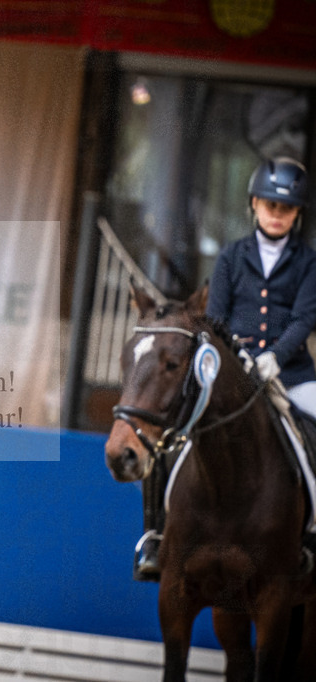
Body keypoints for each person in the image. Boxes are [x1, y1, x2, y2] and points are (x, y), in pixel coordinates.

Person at [133, 156, 315, 581]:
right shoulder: (233, 255)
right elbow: (216, 318)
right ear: (254, 203)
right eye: (269, 205)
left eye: (285, 208)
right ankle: (155, 538)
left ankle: (309, 536)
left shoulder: (307, 262)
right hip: (234, 369)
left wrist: (276, 357)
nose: (276, 214)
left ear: (297, 213)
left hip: (289, 372)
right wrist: (236, 355)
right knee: (172, 437)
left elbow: (305, 318)